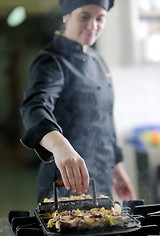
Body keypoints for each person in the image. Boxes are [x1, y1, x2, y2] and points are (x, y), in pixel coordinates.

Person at [20, 0, 136, 203]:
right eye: (84, 16)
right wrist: (60, 147)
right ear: (67, 15)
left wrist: (117, 169)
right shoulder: (51, 60)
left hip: (101, 177)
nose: (93, 25)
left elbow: (104, 118)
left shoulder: (97, 60)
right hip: (65, 182)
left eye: (100, 18)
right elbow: (35, 106)